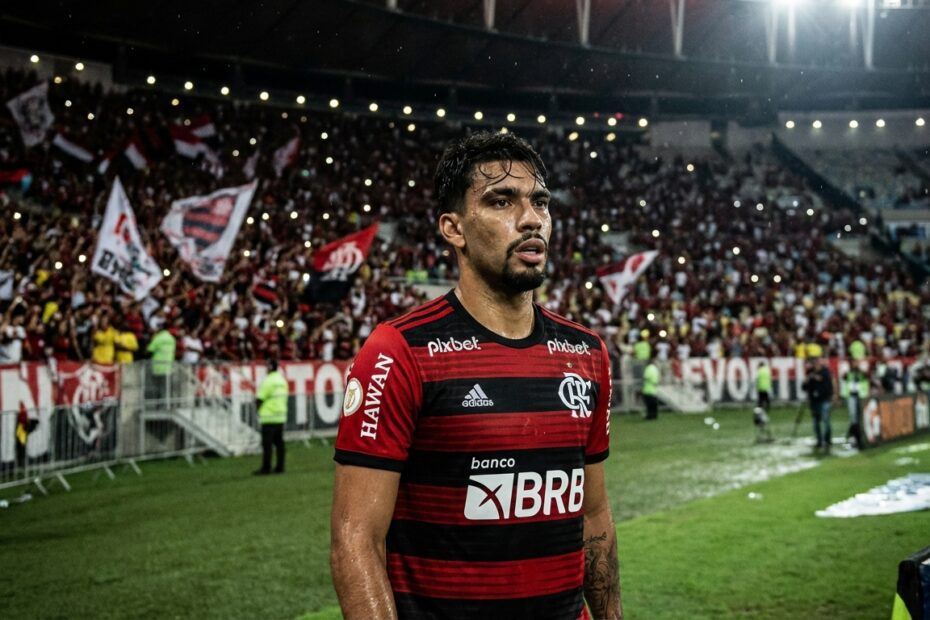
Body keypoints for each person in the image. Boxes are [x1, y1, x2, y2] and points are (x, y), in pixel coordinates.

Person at [331, 132, 622, 619]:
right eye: (501, 201)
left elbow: (593, 519)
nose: (531, 219)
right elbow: (355, 539)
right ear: (454, 228)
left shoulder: (586, 353)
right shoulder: (399, 351)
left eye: (540, 202)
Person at [254, 358, 287, 475]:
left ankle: (266, 467)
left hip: (268, 417)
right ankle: (280, 467)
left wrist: (257, 409)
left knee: (267, 444)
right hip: (280, 416)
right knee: (279, 443)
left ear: (269, 368)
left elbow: (260, 398)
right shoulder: (282, 380)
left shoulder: (268, 381)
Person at [802, 356, 834, 453]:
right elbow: (804, 387)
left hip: (824, 399)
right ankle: (819, 440)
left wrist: (830, 397)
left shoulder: (825, 372)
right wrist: (807, 380)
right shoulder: (810, 373)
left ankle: (827, 440)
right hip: (814, 401)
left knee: (825, 420)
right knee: (816, 422)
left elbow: (829, 385)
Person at [840, 363, 870, 448]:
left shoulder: (862, 374)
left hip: (861, 396)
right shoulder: (848, 374)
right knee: (853, 417)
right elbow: (843, 377)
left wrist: (860, 370)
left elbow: (867, 376)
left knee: (860, 417)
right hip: (851, 397)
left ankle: (855, 435)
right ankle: (855, 437)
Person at [146, 322, 176, 401]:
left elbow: (149, 349)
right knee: (166, 388)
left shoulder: (158, 338)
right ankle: (166, 404)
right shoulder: (172, 338)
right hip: (168, 366)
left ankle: (157, 405)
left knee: (157, 387)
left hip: (157, 367)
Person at [643, 354, 660, 420]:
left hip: (648, 389)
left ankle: (649, 416)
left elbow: (646, 377)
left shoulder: (648, 368)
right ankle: (654, 416)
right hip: (654, 389)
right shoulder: (655, 369)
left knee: (649, 405)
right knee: (654, 404)